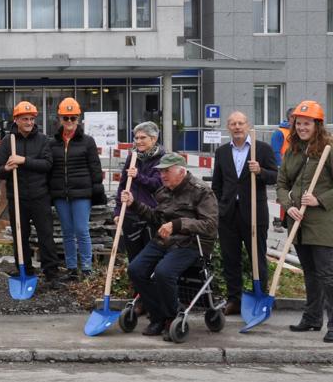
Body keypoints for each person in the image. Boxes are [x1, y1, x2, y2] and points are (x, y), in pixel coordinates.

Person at [121, 153, 217, 340]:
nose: (162, 176)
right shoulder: (164, 191)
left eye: (166, 171)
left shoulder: (201, 191)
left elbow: (210, 225)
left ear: (181, 171)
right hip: (164, 241)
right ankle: (157, 315)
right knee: (135, 269)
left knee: (164, 272)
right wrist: (134, 205)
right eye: (161, 171)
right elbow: (157, 218)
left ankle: (170, 318)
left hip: (191, 244)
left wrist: (178, 224)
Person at [211, 111, 278, 316]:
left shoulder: (262, 149)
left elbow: (275, 177)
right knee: (231, 258)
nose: (237, 127)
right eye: (233, 124)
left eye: (241, 123)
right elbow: (217, 184)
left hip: (254, 213)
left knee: (257, 257)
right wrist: (221, 206)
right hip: (229, 214)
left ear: (248, 125)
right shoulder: (222, 152)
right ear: (228, 128)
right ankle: (235, 299)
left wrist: (260, 172)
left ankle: (260, 296)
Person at [277, 100, 333, 343]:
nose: (301, 127)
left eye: (307, 123)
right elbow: (281, 185)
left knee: (327, 275)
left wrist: (319, 199)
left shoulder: (328, 150)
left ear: (317, 125)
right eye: (298, 123)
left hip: (322, 225)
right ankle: (312, 318)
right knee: (309, 272)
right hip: (298, 224)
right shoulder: (293, 151)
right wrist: (288, 207)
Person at [0, 101, 61, 282]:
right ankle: (24, 269)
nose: (29, 122)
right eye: (25, 119)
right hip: (17, 197)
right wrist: (7, 168)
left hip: (40, 196)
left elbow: (47, 165)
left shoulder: (42, 140)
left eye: (31, 119)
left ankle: (51, 273)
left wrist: (23, 160)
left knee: (45, 235)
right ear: (16, 120)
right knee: (20, 236)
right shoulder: (8, 141)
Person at [47, 97, 104, 281]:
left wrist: (96, 190)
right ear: (60, 119)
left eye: (73, 117)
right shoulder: (52, 143)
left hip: (81, 193)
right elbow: (50, 168)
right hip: (61, 194)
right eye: (66, 118)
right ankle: (71, 268)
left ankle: (86, 268)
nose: (69, 121)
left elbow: (95, 167)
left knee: (81, 229)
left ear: (78, 118)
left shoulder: (88, 142)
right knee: (67, 231)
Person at [116, 121, 167, 265]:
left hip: (150, 215)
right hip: (130, 215)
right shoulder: (132, 157)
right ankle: (136, 287)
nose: (138, 141)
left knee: (150, 259)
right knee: (134, 259)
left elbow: (158, 185)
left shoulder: (162, 159)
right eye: (136, 138)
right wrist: (118, 210)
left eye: (142, 138)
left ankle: (151, 287)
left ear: (154, 139)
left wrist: (138, 176)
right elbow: (123, 186)